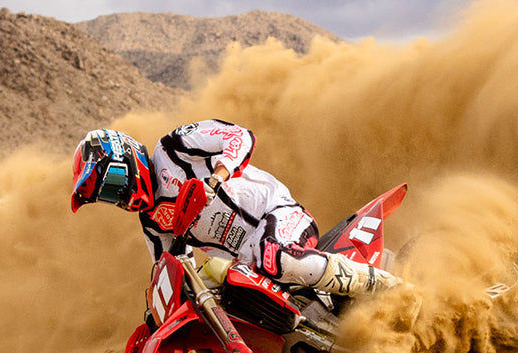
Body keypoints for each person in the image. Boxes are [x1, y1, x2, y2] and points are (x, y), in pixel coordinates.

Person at [70, 119, 400, 296]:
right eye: (107, 196)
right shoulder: (153, 223)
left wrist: (216, 178)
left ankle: (393, 289)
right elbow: (169, 270)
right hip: (248, 263)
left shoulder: (174, 148)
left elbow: (239, 136)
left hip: (278, 214)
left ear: (126, 155)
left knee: (275, 257)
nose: (119, 196)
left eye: (112, 184)